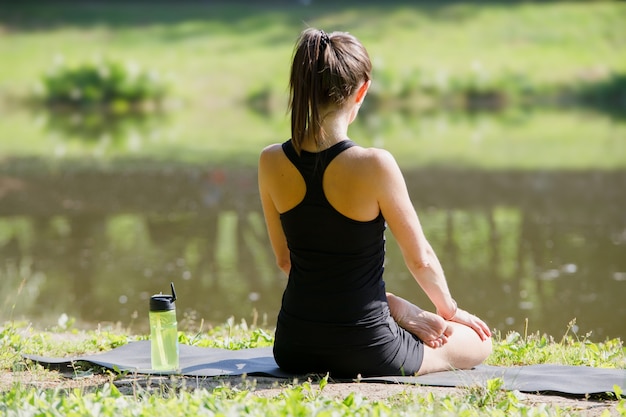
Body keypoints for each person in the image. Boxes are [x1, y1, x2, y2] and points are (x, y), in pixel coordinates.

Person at [258, 28, 492, 378]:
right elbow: (421, 259)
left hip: (293, 346)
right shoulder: (374, 164)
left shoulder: (270, 161)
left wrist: (398, 307)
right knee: (479, 342)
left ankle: (397, 314)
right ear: (361, 91)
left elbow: (286, 261)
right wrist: (449, 311)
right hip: (368, 350)